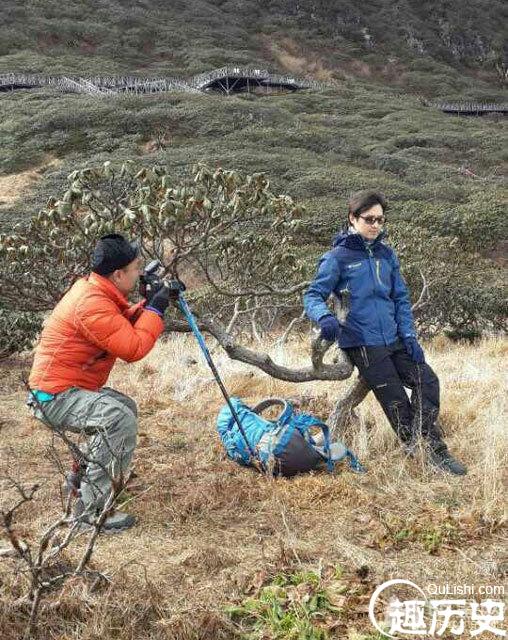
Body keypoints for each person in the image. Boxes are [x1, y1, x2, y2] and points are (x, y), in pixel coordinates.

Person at [303, 190, 467, 476]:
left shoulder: (386, 255)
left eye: (381, 220)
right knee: (395, 400)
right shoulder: (337, 258)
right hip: (362, 341)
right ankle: (429, 454)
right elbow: (313, 295)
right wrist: (324, 317)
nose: (376, 225)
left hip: (394, 338)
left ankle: (426, 444)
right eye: (369, 219)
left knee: (427, 381)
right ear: (352, 219)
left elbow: (400, 299)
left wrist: (410, 337)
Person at [28, 234, 174, 532]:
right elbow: (132, 348)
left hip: (63, 389)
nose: (139, 273)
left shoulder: (97, 293)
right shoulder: (91, 303)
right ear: (118, 274)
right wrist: (155, 310)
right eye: (135, 268)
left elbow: (116, 324)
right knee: (117, 419)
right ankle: (91, 511)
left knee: (124, 407)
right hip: (53, 396)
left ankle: (81, 482)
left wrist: (151, 303)